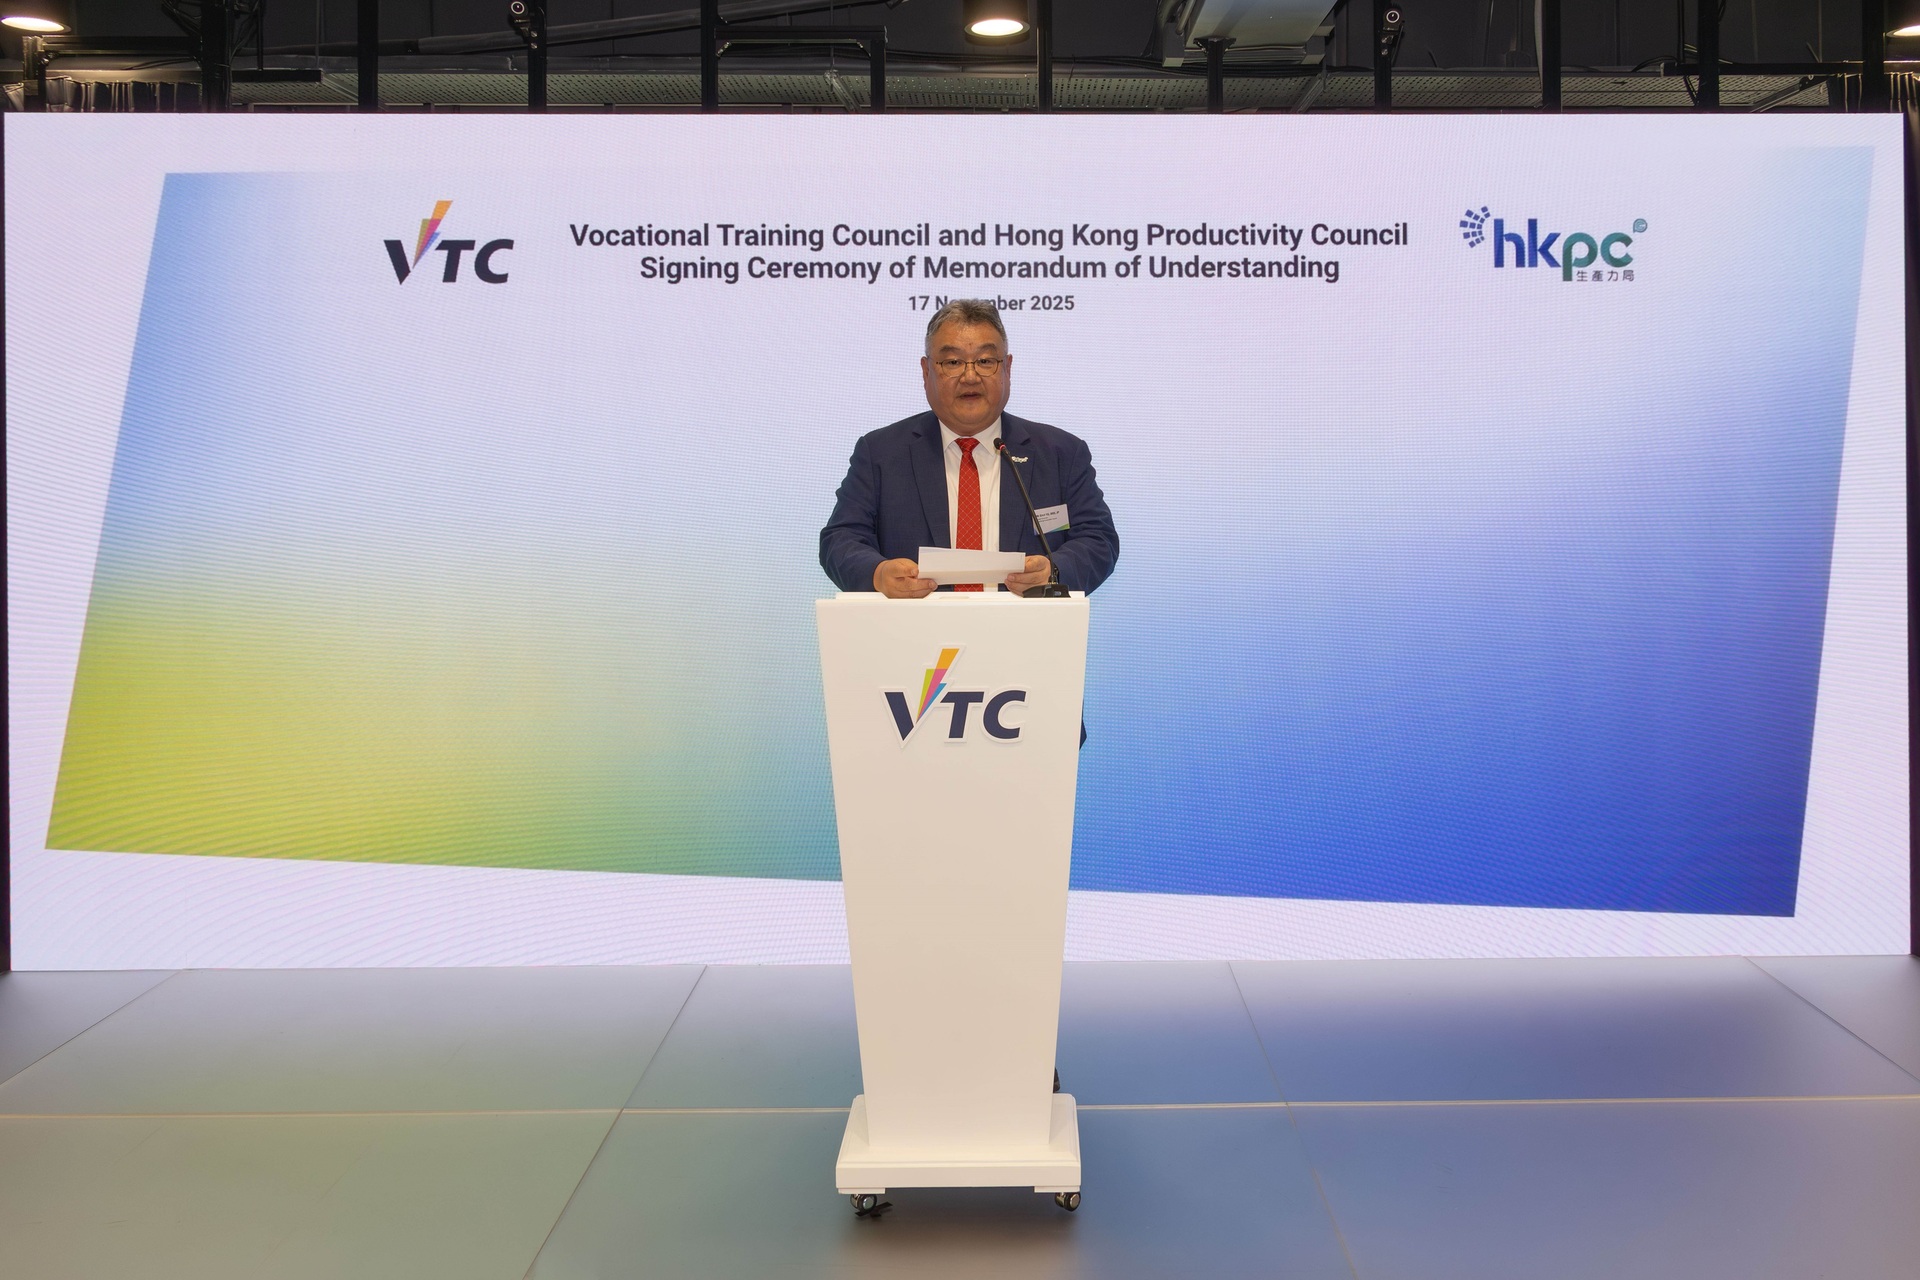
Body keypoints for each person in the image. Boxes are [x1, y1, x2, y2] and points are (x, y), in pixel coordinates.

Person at [819, 298, 1119, 597]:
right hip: (914, 626)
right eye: (952, 362)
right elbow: (841, 540)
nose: (971, 376)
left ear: (1007, 368)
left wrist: (1053, 571)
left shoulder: (1060, 454)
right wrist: (878, 573)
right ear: (926, 372)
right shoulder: (880, 453)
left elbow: (1098, 540)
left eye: (986, 361)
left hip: (1026, 626)